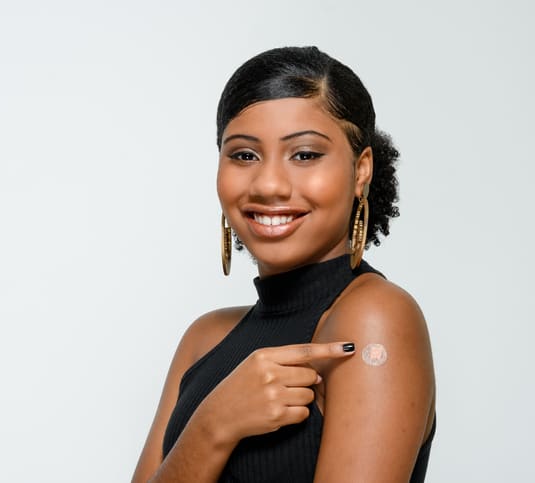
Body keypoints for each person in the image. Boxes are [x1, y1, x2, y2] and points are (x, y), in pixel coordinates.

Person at [132, 46, 436, 483]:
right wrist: (214, 425)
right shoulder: (204, 339)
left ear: (361, 170)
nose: (269, 185)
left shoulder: (373, 318)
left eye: (305, 155)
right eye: (244, 155)